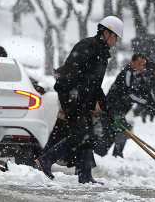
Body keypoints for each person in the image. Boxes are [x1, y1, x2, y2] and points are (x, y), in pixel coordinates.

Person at [36, 16, 123, 184]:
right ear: (106, 32)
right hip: (70, 96)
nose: (116, 41)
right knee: (81, 134)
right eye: (115, 36)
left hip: (83, 99)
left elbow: (96, 86)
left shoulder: (103, 55)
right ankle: (46, 159)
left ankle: (85, 176)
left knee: (87, 136)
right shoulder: (87, 46)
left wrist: (107, 109)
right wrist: (73, 91)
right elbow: (69, 72)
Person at [94, 53, 155, 159]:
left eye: (143, 64)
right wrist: (145, 102)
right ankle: (117, 156)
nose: (142, 67)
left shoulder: (139, 76)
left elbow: (146, 90)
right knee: (123, 130)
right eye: (139, 63)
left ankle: (97, 156)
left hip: (120, 110)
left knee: (110, 134)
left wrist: (152, 103)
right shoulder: (126, 73)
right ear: (132, 62)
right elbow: (129, 94)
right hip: (112, 108)